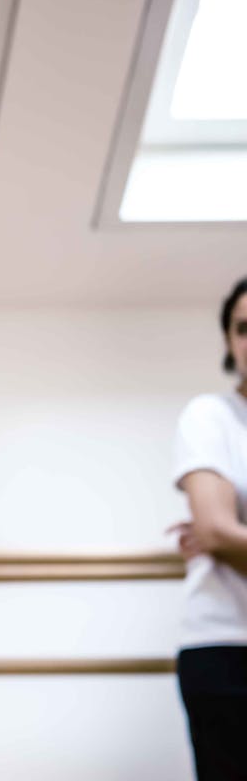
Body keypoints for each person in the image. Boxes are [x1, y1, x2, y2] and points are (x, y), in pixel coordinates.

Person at [168, 277, 247, 781]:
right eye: (242, 328)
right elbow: (216, 532)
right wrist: (222, 533)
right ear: (228, 341)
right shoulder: (210, 417)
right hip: (226, 654)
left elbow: (223, 532)